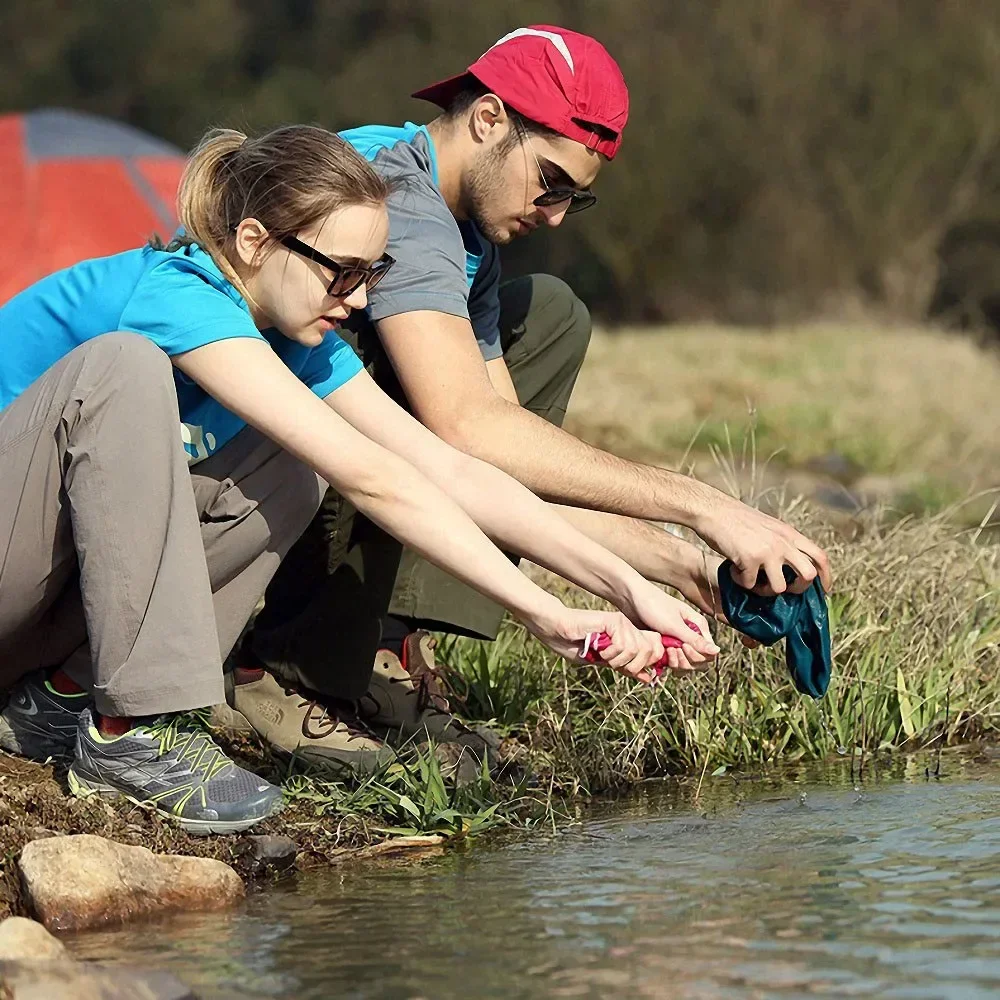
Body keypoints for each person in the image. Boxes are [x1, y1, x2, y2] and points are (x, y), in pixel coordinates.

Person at [0, 123, 719, 832]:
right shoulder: (172, 293)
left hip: (35, 614)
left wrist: (624, 591)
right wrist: (542, 611)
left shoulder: (293, 340)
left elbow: (442, 470)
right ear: (253, 243)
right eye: (341, 272)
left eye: (372, 275)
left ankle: (63, 699)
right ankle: (135, 732)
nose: (360, 301)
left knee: (291, 466)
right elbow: (375, 482)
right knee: (122, 369)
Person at [235, 25, 833, 772]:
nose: (552, 215)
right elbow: (464, 429)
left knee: (547, 314)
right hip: (218, 486)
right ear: (488, 119)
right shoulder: (399, 202)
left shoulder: (467, 229)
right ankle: (291, 669)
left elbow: (506, 459)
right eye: (550, 182)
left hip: (326, 465)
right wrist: (706, 507)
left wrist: (685, 568)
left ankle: (380, 648)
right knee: (397, 374)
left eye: (574, 201)